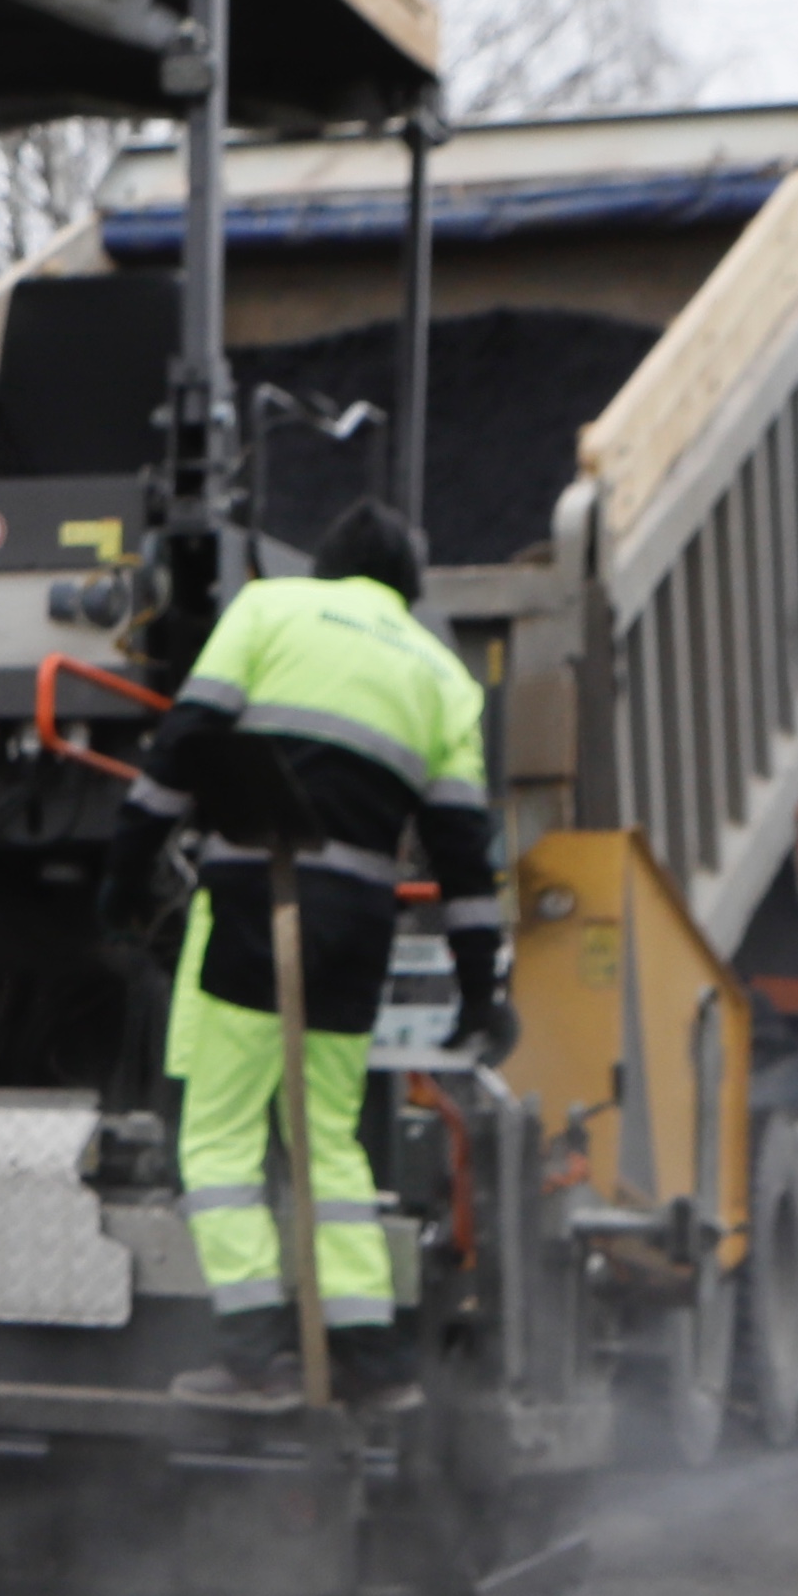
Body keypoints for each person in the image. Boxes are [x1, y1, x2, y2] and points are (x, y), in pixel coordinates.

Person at [122, 496, 505, 1408]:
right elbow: (464, 855)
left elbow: (183, 747)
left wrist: (123, 874)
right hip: (355, 938)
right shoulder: (443, 675)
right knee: (326, 1142)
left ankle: (260, 1358)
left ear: (323, 566)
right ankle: (370, 1361)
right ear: (407, 592)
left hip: (255, 908)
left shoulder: (266, 610)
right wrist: (478, 988)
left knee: (217, 1136)